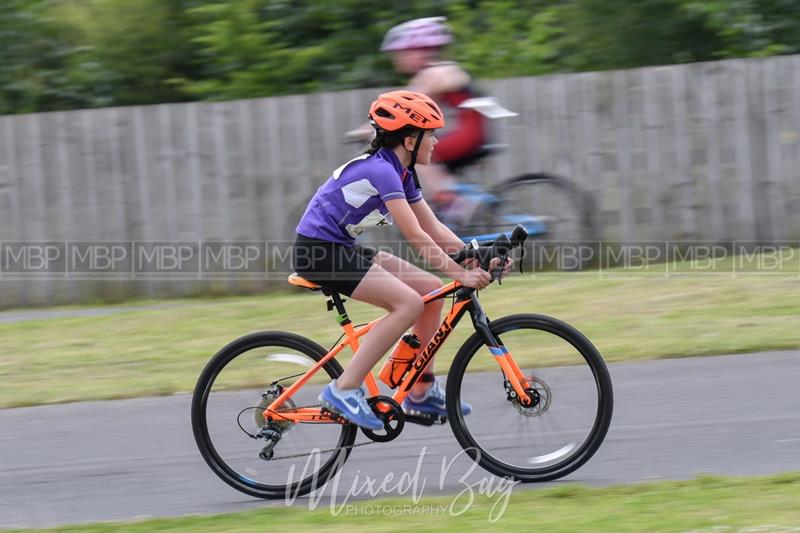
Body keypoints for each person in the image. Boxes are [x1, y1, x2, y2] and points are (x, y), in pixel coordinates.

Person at [293, 90, 511, 429]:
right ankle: (343, 389)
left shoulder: (402, 173)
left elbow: (433, 226)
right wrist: (461, 273)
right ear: (410, 140)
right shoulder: (382, 172)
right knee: (408, 304)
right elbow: (416, 236)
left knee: (429, 287)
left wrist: (477, 259)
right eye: (432, 134)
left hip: (340, 247)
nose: (437, 142)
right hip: (319, 252)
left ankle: (420, 390)